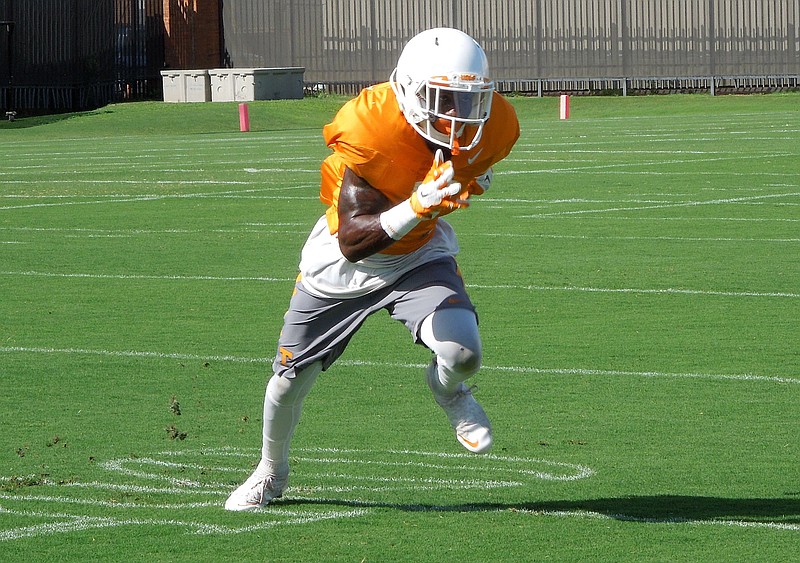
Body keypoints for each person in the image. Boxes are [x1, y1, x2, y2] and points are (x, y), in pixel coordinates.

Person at [225, 27, 520, 511]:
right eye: (441, 98)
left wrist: (435, 203)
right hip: (346, 263)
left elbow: (475, 169)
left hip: (419, 254)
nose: (455, 115)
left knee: (463, 352)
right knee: (289, 379)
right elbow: (352, 241)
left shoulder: (495, 128)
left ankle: (448, 392)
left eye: (466, 100)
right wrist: (417, 204)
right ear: (406, 89)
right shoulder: (370, 129)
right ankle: (270, 472)